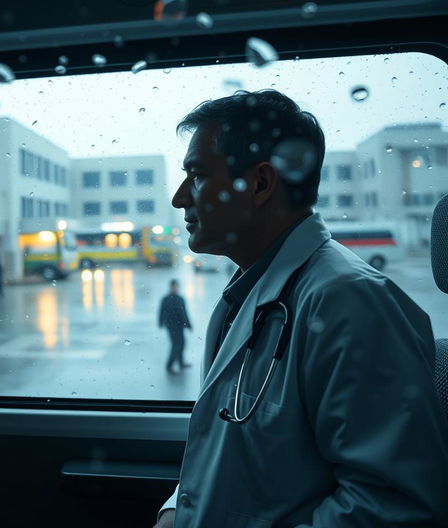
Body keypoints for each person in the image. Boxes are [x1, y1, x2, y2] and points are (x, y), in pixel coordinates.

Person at [154, 90, 448, 527]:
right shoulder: (248, 292)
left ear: (259, 184)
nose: (180, 198)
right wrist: (177, 512)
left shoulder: (350, 303)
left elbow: (392, 509)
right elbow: (232, 451)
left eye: (196, 176)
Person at [159, 279, 192, 374]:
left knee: (182, 344)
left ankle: (181, 363)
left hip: (180, 326)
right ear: (170, 287)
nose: (175, 288)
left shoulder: (180, 299)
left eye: (176, 286)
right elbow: (161, 311)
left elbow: (184, 313)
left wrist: (188, 324)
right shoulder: (166, 299)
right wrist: (161, 322)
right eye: (173, 287)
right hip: (171, 326)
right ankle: (169, 366)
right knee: (176, 345)